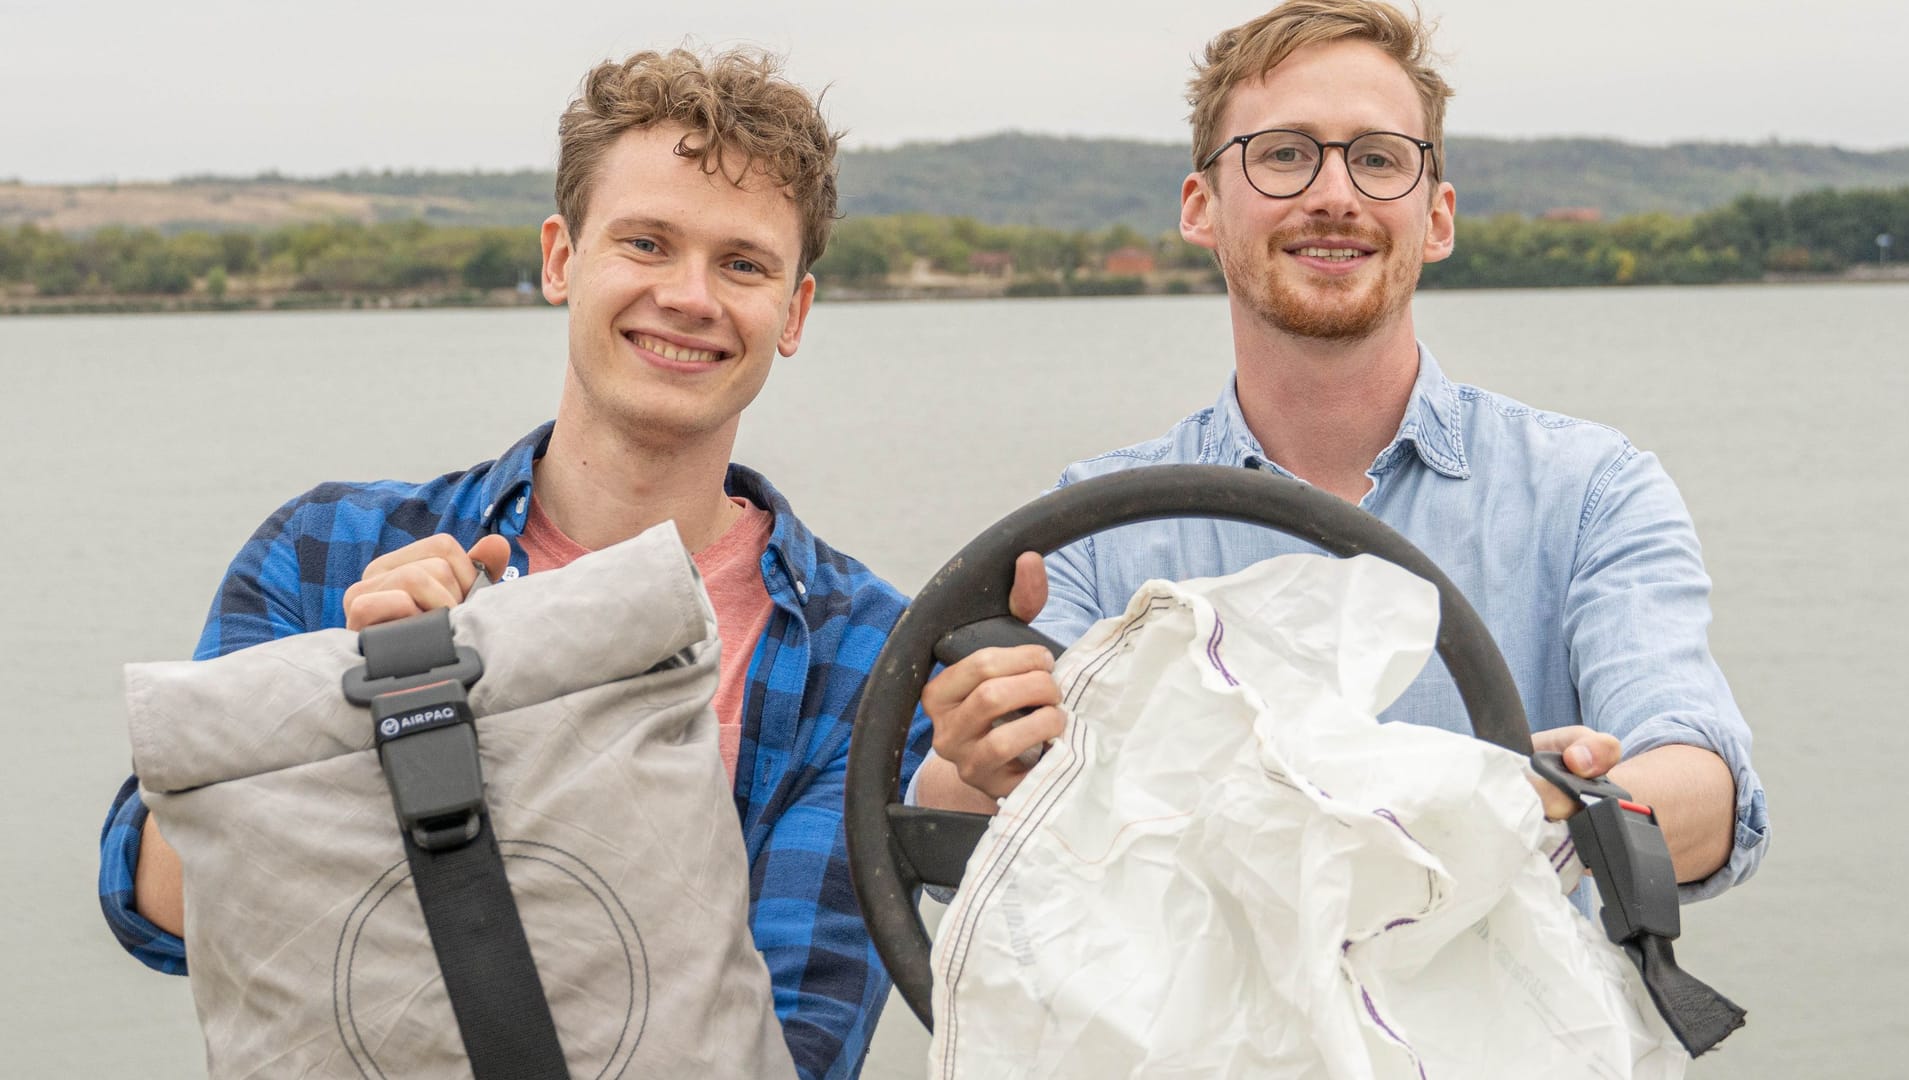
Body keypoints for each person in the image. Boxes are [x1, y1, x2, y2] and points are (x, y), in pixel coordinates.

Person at [96, 47, 927, 1080]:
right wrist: (336, 693)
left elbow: (798, 1041)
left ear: (793, 313)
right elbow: (152, 905)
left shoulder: (868, 656)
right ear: (561, 259)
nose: (689, 296)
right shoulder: (324, 549)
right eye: (646, 242)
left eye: (743, 264)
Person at [915, 0, 1766, 900]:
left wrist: (1545, 798)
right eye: (1283, 154)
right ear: (1202, 208)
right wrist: (979, 753)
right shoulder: (1099, 526)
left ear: (1436, 219)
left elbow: (1706, 797)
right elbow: (958, 809)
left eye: (1378, 159)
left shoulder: (1590, 490)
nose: (1334, 195)